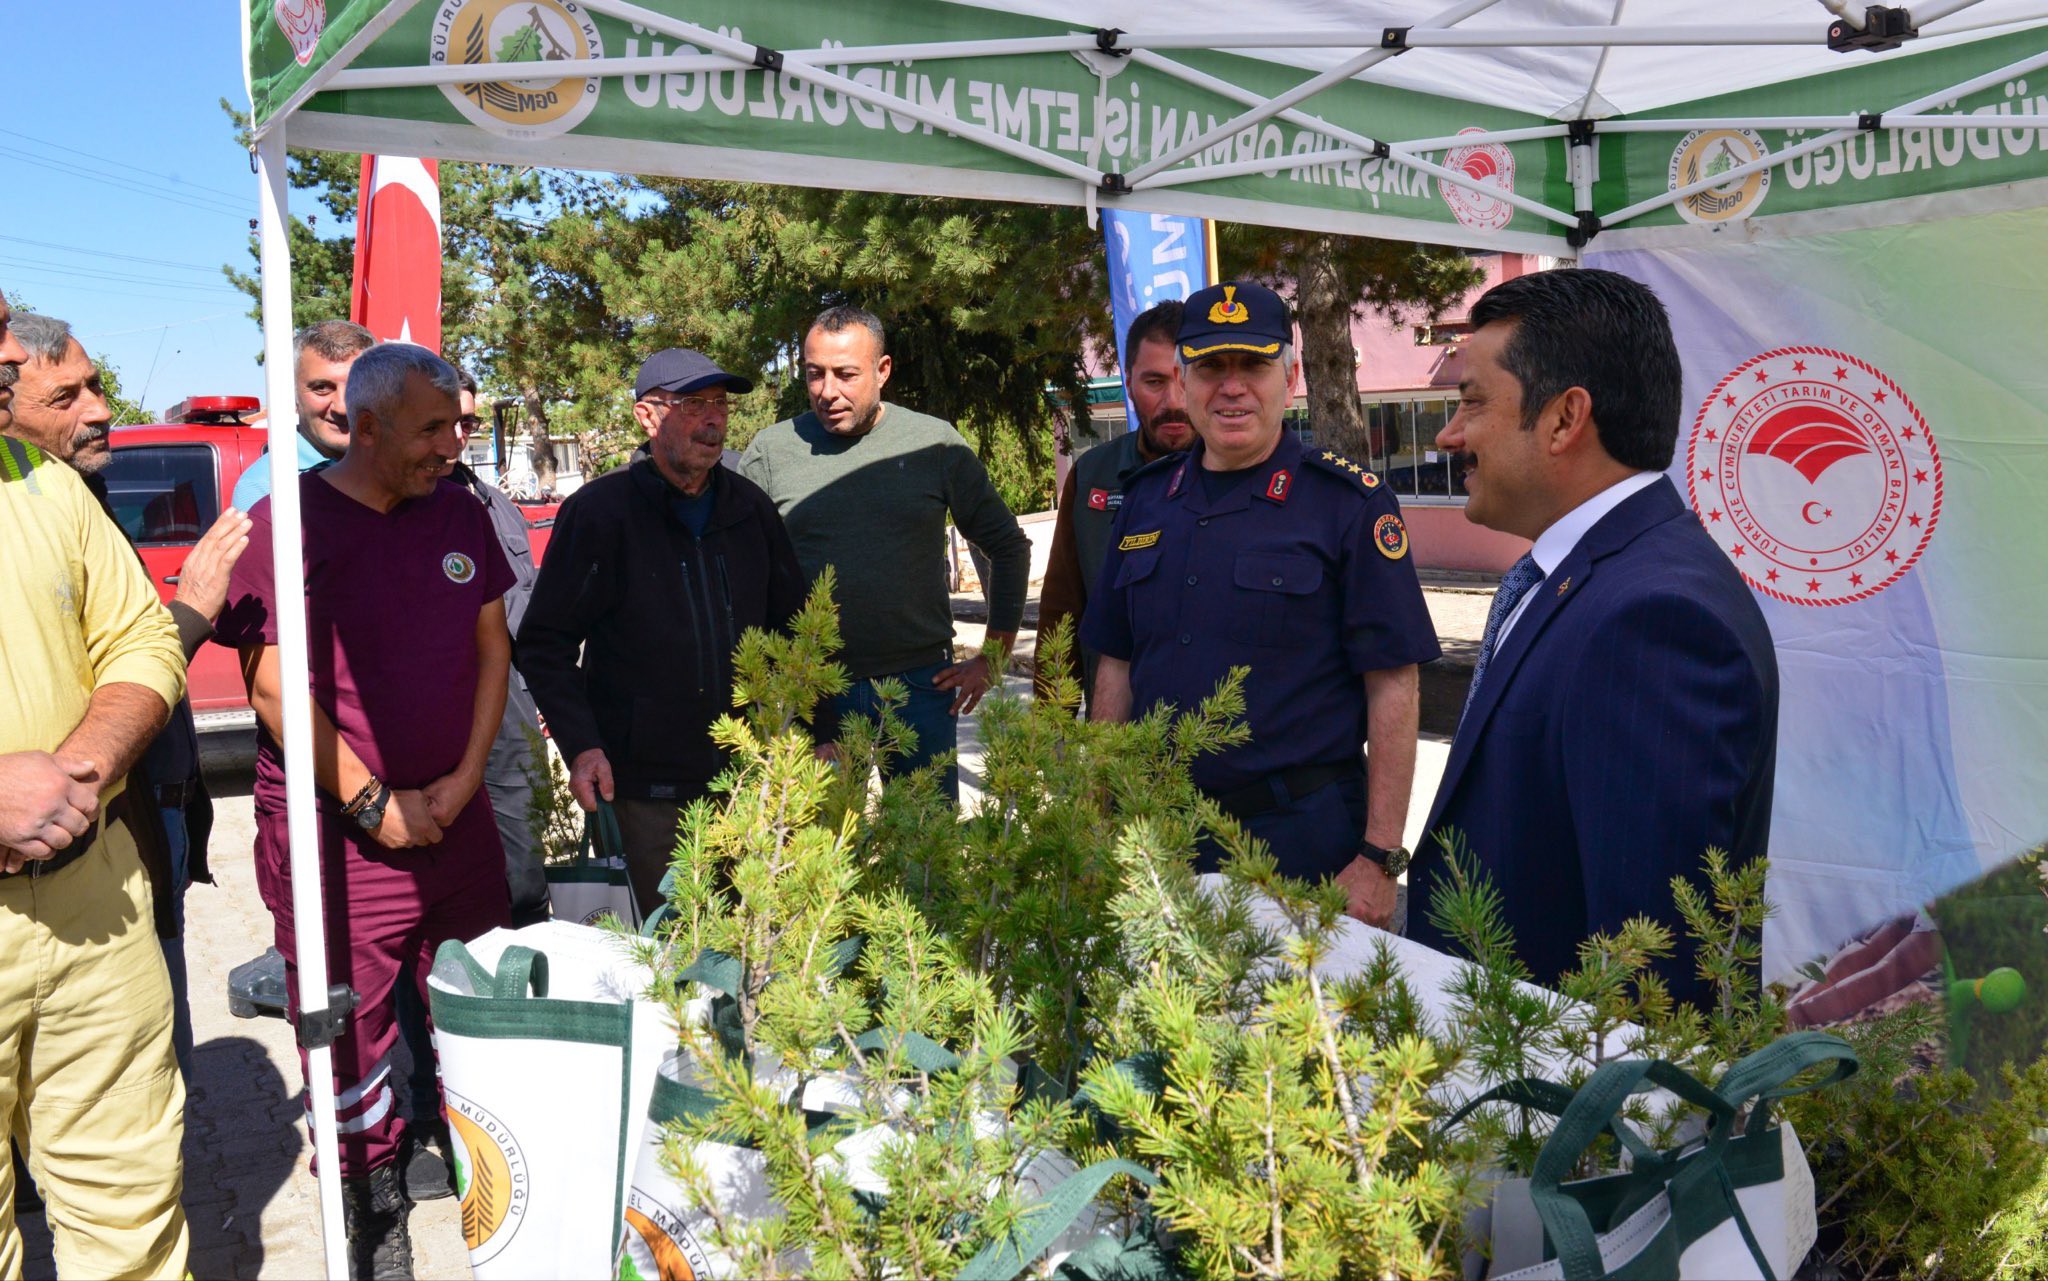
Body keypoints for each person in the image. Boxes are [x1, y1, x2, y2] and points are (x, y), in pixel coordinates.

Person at [214, 342, 516, 1277]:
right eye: (432, 428)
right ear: (368, 425)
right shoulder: (287, 523)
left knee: (482, 1002)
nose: (451, 443)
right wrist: (371, 802)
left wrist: (465, 779)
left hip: (455, 822)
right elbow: (269, 685)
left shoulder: (456, 506)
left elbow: (492, 648)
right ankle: (372, 1219)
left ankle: (497, 1186)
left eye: (457, 424)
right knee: (352, 1037)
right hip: (345, 838)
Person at [1404, 268, 1779, 1005]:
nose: (1449, 435)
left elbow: (1649, 980)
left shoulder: (1655, 620)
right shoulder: (1586, 577)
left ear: (1564, 418)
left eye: (1472, 402)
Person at [1081, 281, 1439, 923]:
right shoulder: (1144, 500)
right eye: (1212, 367)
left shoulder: (1346, 506)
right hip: (1161, 833)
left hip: (1303, 842)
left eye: (1253, 364)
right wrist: (1098, 814)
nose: (1232, 386)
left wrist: (1380, 857)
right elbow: (1116, 664)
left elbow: (1394, 683)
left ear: (1292, 375)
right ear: (1185, 382)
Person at [3, 311, 252, 1079]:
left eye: (98, 385)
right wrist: (195, 611)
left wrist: (80, 774)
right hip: (70, 844)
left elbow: (131, 651)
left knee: (141, 1089)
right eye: (67, 396)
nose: (99, 409)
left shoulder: (77, 494)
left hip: (129, 825)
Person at [0, 286, 192, 1278]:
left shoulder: (44, 485)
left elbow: (140, 642)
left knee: (134, 1218)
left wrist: (78, 773)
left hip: (93, 896)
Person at [520, 348, 809, 915]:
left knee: (753, 952)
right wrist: (582, 746)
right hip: (642, 794)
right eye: (694, 404)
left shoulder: (750, 510)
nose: (714, 419)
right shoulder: (600, 513)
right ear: (647, 417)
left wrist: (816, 734)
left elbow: (797, 632)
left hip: (747, 780)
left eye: (720, 405)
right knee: (664, 961)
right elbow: (544, 642)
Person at [742, 307, 1031, 798]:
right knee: (825, 858)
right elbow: (743, 577)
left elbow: (1006, 545)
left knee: (925, 856)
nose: (827, 391)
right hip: (815, 693)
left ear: (883, 370)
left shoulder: (933, 444)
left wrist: (994, 656)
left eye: (846, 374)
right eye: (815, 374)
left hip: (922, 686)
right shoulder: (771, 452)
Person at [1038, 300, 1195, 710]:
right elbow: (1062, 610)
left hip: (1221, 735)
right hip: (1120, 735)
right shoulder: (1094, 474)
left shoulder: (1243, 475)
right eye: (1155, 382)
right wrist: (1052, 732)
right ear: (1128, 384)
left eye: (1187, 379)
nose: (1174, 401)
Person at [230, 318, 375, 510]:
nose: (342, 407)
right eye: (321, 388)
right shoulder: (264, 486)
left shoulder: (407, 469)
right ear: (293, 395)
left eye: (358, 385)